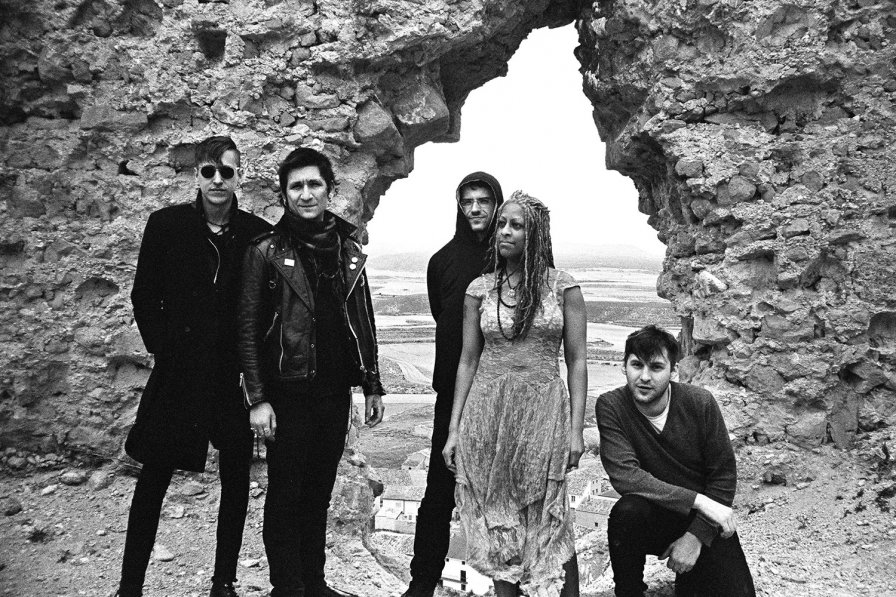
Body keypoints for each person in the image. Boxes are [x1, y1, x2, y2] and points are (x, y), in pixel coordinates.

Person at [121, 135, 271, 597]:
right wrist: (166, 350)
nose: (217, 180)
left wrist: (253, 374)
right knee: (153, 477)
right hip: (179, 373)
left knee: (235, 480)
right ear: (197, 175)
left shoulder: (257, 233)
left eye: (227, 171)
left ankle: (223, 582)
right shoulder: (166, 225)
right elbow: (144, 295)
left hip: (230, 376)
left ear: (240, 175)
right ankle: (130, 586)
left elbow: (266, 307)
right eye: (209, 171)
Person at [237, 147, 385, 597]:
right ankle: (288, 587)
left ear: (329, 190)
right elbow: (247, 329)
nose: (306, 194)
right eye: (296, 186)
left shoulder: (347, 249)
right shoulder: (265, 251)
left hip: (333, 392)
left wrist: (372, 382)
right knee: (286, 493)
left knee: (319, 491)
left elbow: (362, 318)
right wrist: (258, 399)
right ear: (284, 194)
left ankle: (314, 584)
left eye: (314, 184)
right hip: (287, 393)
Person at [442, 191, 587, 597]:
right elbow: (468, 360)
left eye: (516, 225)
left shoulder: (564, 288)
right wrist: (454, 430)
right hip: (487, 413)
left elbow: (577, 361)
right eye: (502, 224)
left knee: (551, 515)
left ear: (536, 235)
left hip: (543, 411)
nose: (504, 231)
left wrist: (576, 431)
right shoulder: (480, 290)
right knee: (497, 516)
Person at [401, 172, 504, 597]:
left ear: (497, 205)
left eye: (484, 200)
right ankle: (422, 583)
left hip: (503, 392)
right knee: (439, 492)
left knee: (504, 494)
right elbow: (443, 319)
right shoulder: (441, 261)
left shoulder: (513, 256)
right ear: (459, 207)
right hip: (453, 393)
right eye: (467, 201)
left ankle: (512, 586)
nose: (475, 208)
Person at [595, 325, 756, 597]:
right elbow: (626, 477)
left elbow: (723, 477)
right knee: (627, 512)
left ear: (673, 371)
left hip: (702, 520)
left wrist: (696, 537)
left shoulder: (700, 403)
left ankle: (691, 577)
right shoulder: (612, 406)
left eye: (656, 367)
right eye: (636, 365)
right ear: (624, 366)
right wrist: (700, 500)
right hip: (654, 516)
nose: (644, 377)